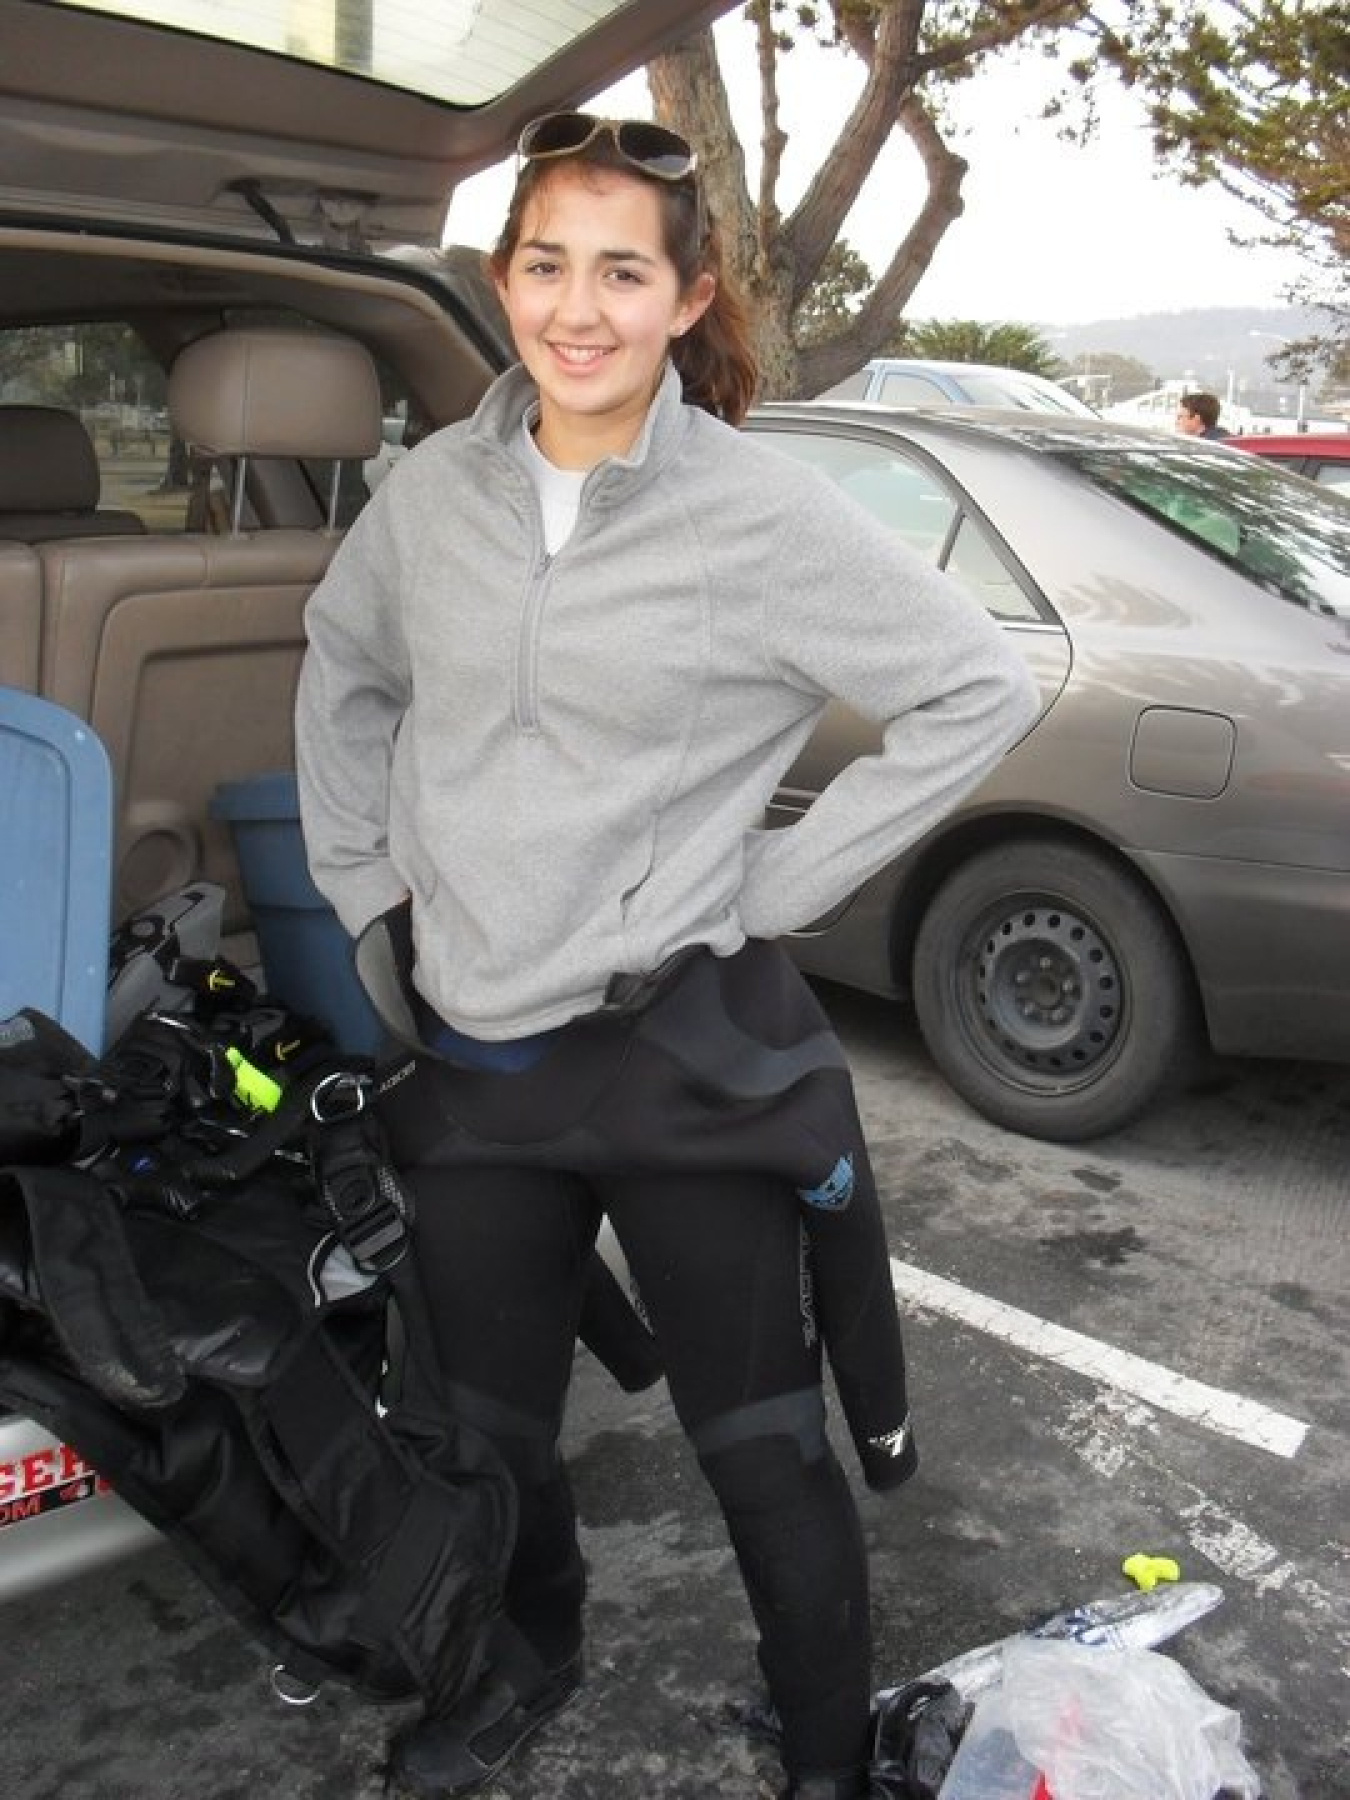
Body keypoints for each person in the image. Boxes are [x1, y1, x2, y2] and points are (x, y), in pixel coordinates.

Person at [295, 111, 1040, 1800]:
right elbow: (343, 672)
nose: (579, 306)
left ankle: (827, 1753)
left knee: (760, 1449)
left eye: (621, 270)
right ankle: (524, 1664)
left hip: (675, 1057)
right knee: (484, 1436)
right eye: (546, 263)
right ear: (502, 281)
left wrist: (782, 884)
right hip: (477, 1054)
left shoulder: (755, 512)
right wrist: (362, 892)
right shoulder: (431, 495)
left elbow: (973, 687)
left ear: (686, 295)